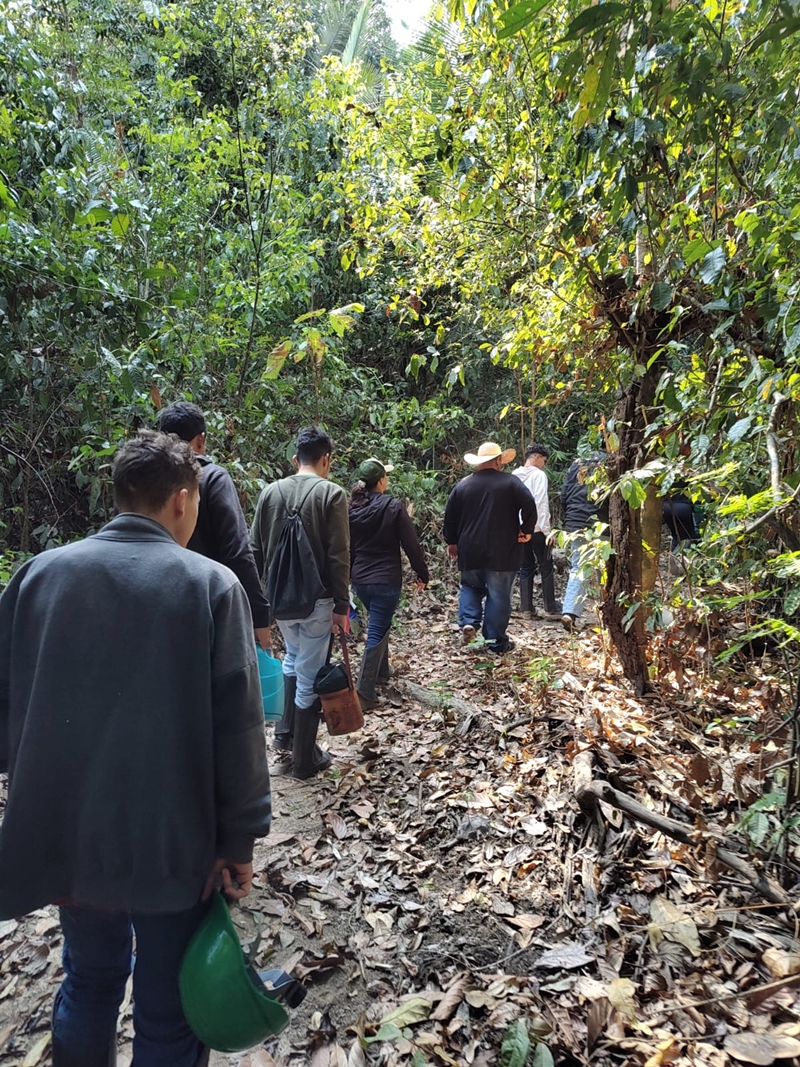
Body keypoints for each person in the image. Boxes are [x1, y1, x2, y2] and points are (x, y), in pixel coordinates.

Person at [0, 430, 272, 1067]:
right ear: (182, 499)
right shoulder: (211, 585)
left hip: (71, 841)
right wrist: (239, 842)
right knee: (167, 1008)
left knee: (88, 980)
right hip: (172, 845)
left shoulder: (39, 575)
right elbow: (237, 729)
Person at [250, 426, 350, 780]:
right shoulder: (331, 494)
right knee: (308, 674)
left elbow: (255, 550)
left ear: (295, 459)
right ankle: (305, 761)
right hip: (317, 602)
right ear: (326, 460)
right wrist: (342, 605)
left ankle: (285, 735)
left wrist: (259, 601)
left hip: (279, 602)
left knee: (293, 659)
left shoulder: (269, 492)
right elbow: (338, 556)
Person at [157, 401, 272, 651]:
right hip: (210, 606)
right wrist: (259, 615)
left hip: (157, 603)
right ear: (200, 440)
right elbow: (238, 551)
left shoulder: (145, 478)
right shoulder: (211, 477)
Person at [349, 457, 429, 708]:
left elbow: (348, 547)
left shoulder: (351, 507)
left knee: (379, 624)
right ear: (381, 480)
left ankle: (382, 672)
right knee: (376, 629)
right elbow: (411, 544)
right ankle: (363, 692)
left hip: (360, 579)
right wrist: (422, 573)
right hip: (385, 579)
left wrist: (349, 574)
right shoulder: (393, 506)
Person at [443, 441, 536, 654]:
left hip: (470, 548)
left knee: (470, 586)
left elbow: (450, 517)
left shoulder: (463, 485)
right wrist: (526, 529)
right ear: (497, 461)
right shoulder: (511, 483)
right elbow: (529, 504)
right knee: (499, 595)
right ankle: (495, 641)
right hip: (502, 550)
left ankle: (469, 621)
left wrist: (452, 542)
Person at [512, 443, 561, 620]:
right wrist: (547, 531)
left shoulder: (514, 475)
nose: (544, 465)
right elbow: (540, 503)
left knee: (525, 566)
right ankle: (550, 607)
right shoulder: (539, 475)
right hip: (537, 528)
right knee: (546, 565)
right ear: (536, 457)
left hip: (519, 529)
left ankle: (526, 608)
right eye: (544, 461)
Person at [560, 451, 607, 632]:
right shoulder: (610, 463)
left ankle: (570, 612)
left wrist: (570, 516)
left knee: (578, 568)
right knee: (606, 570)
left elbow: (565, 493)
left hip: (575, 522)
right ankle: (607, 613)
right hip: (602, 523)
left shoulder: (577, 464)